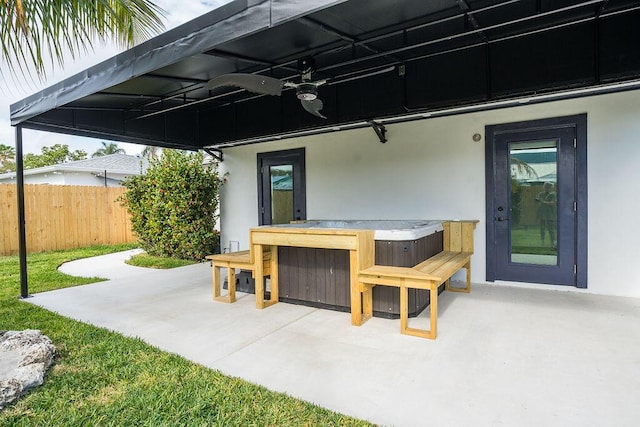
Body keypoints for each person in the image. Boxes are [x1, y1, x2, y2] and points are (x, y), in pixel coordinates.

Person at [536, 182, 557, 248]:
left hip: (550, 214)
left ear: (551, 188)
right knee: (542, 229)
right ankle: (542, 242)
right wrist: (537, 200)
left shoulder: (553, 194)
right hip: (542, 214)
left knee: (551, 229)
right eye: (545, 187)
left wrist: (544, 202)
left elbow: (553, 203)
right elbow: (537, 200)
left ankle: (553, 243)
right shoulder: (541, 194)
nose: (546, 188)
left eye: (548, 187)